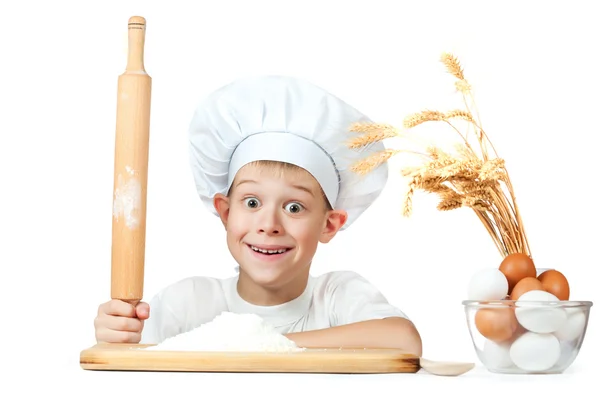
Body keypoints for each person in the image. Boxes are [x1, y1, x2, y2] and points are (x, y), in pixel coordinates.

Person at [93, 75, 422, 356]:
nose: (269, 225)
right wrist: (118, 333)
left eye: (294, 207)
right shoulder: (188, 304)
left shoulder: (337, 297)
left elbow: (403, 340)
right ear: (224, 211)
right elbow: (133, 362)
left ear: (329, 224)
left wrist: (260, 343)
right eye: (251, 203)